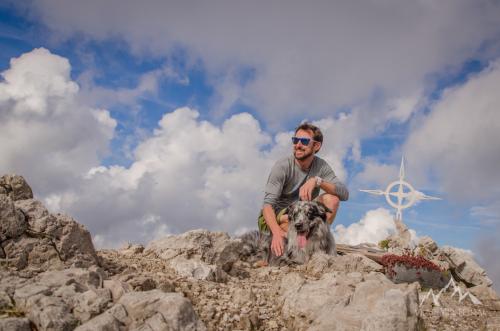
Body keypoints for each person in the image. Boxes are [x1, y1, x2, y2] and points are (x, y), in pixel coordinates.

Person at [258, 122, 349, 257]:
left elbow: (344, 194)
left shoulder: (321, 166)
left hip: (304, 216)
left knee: (332, 200)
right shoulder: (282, 166)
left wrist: (317, 181)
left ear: (316, 146)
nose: (298, 145)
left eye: (304, 141)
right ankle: (292, 242)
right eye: (295, 140)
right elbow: (267, 206)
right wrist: (277, 233)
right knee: (291, 219)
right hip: (278, 218)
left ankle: (318, 242)